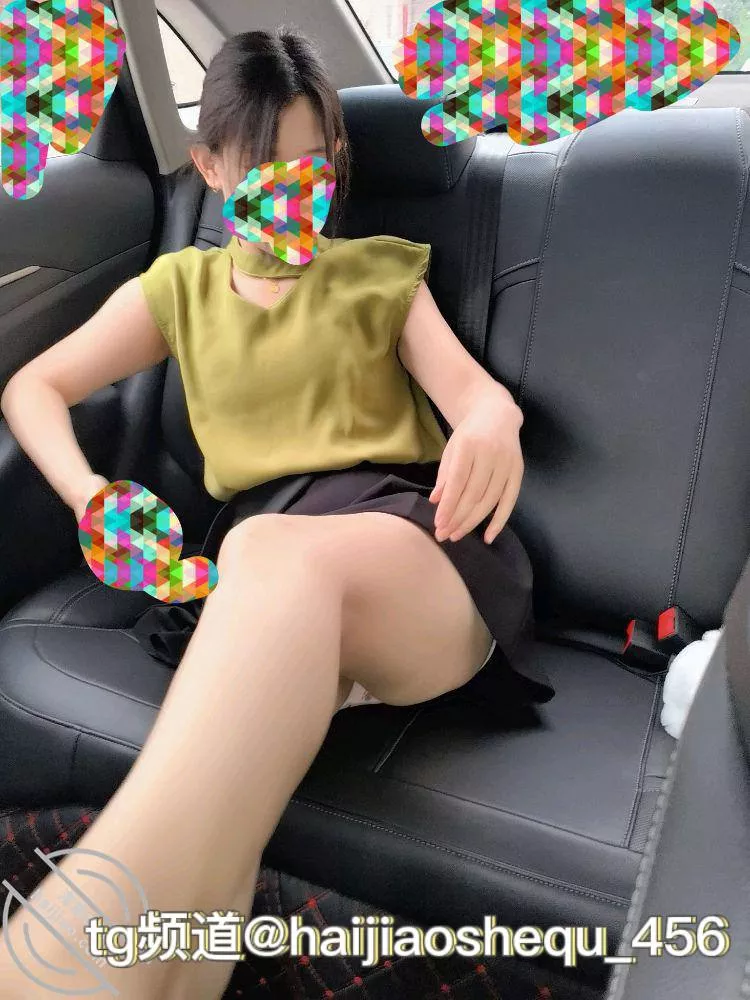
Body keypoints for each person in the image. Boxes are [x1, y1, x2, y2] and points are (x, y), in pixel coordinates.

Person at [0, 28, 553, 1000]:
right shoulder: (180, 289)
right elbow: (32, 387)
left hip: (410, 551)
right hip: (257, 584)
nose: (296, 193)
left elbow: (475, 399)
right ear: (211, 166)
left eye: (314, 168)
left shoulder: (376, 272)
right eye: (265, 171)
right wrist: (90, 495)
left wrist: (491, 420)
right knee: (213, 865)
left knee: (269, 554)